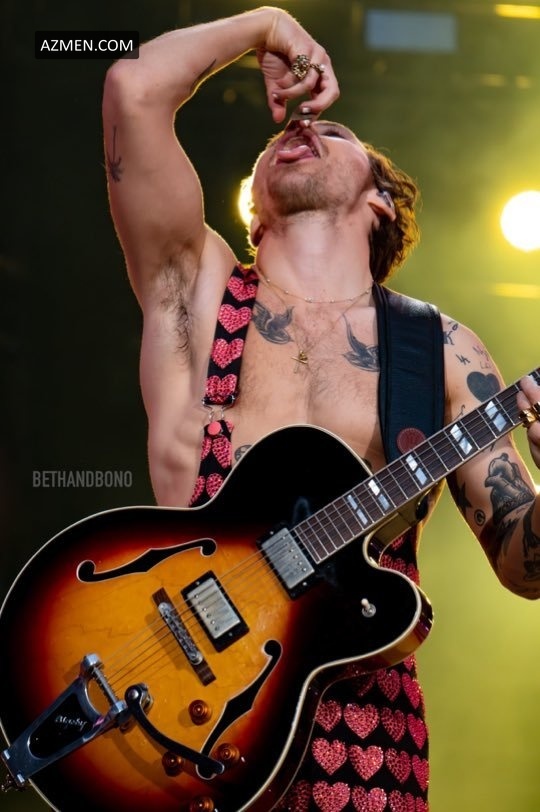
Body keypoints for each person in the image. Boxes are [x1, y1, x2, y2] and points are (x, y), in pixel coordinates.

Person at [102, 6, 540, 810]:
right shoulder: (197, 291)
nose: (304, 127)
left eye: (335, 133)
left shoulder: (441, 348)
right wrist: (268, 27)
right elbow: (133, 87)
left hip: (363, 748)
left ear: (382, 202)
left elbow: (525, 565)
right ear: (254, 209)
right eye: (285, 135)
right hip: (173, 725)